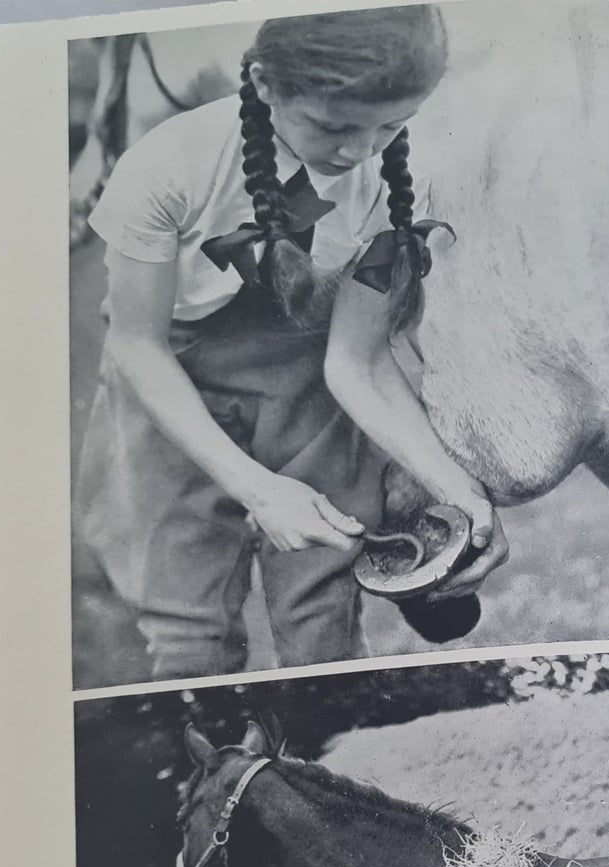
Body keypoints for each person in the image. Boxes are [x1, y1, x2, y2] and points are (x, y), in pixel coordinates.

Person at [77, 6, 503, 682]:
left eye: (390, 125)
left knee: (321, 618)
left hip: (306, 376)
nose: (360, 152)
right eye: (333, 126)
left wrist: (462, 491)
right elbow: (138, 346)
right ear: (267, 85)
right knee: (188, 631)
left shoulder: (405, 178)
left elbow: (355, 360)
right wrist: (257, 489)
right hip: (172, 378)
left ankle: (332, 770)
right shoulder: (168, 166)